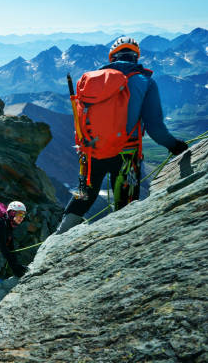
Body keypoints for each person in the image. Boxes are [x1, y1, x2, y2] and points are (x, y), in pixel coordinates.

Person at [55, 37, 188, 235]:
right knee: (126, 203)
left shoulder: (93, 80)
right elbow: (155, 128)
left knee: (84, 195)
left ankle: (60, 235)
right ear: (136, 57)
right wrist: (175, 146)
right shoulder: (145, 82)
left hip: (93, 151)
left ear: (112, 57)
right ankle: (122, 240)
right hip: (127, 153)